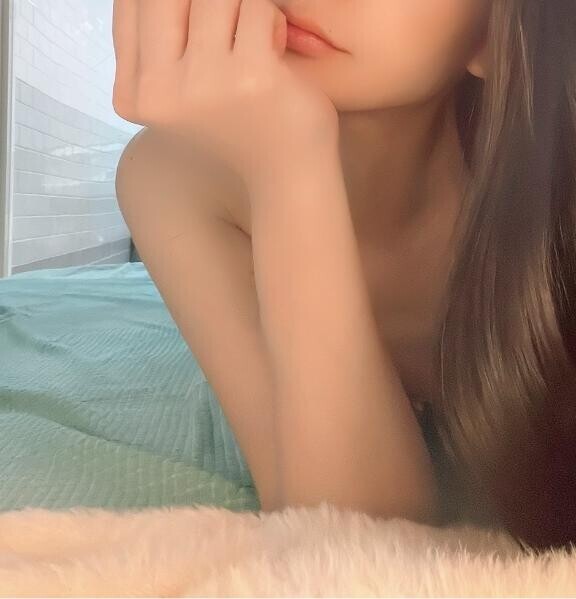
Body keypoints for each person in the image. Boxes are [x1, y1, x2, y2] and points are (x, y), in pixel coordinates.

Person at [113, 0, 576, 556]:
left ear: (496, 35)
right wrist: (286, 166)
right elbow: (352, 542)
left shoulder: (551, 181)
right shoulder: (169, 175)